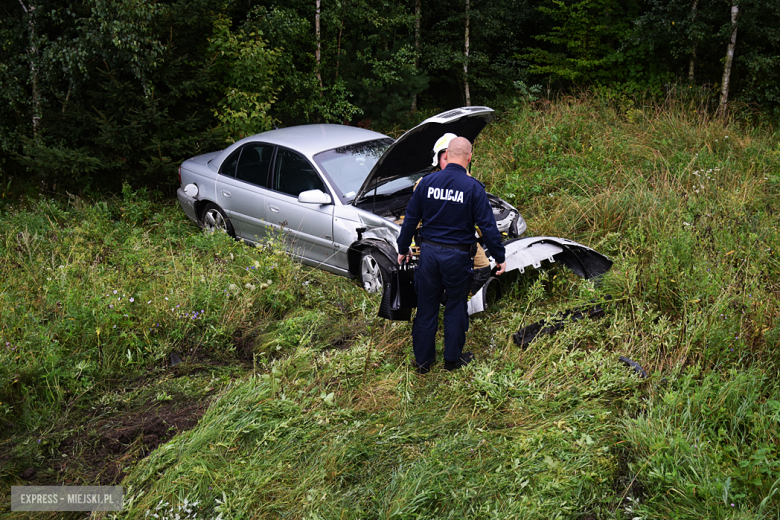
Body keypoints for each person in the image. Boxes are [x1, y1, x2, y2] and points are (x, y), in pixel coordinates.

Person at [397, 136, 506, 373]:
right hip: (457, 258)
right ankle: (452, 361)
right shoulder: (473, 187)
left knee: (426, 308)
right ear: (468, 158)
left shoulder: (426, 183)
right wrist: (499, 256)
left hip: (428, 255)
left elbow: (410, 220)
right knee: (455, 307)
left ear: (446, 155)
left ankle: (423, 364)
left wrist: (403, 248)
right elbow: (488, 228)